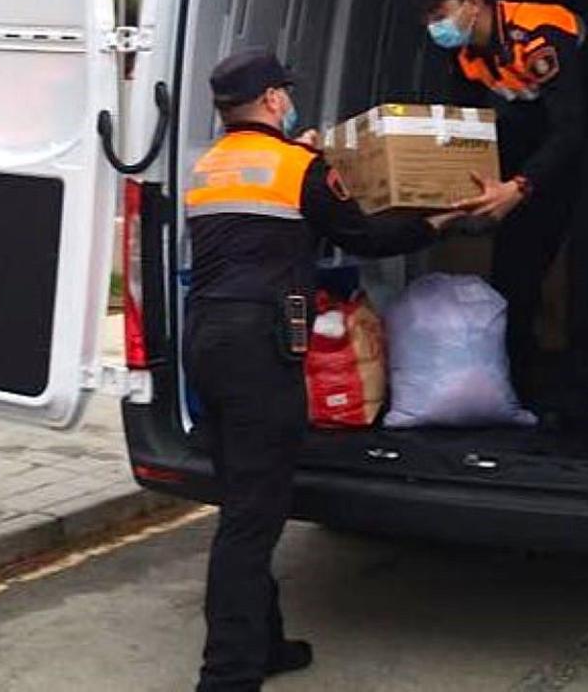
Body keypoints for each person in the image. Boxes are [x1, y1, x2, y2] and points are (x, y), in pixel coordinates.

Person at [185, 52, 462, 691]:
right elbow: (362, 237)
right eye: (285, 91)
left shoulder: (209, 167)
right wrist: (436, 222)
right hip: (259, 348)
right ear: (276, 101)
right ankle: (226, 676)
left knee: (244, 500)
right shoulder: (299, 168)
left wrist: (305, 159)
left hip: (207, 339)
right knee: (252, 519)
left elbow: (267, 203)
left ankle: (266, 643)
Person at [420, 0, 588, 432]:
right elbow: (465, 129)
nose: (435, 29)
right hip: (551, 139)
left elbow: (571, 125)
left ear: (473, 3)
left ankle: (584, 402)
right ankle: (514, 382)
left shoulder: (539, 32)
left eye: (441, 15)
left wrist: (518, 187)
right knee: (516, 256)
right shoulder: (466, 55)